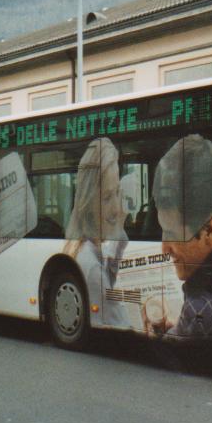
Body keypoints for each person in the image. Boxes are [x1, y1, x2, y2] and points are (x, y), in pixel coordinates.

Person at [143, 134, 212, 339]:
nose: (165, 249)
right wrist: (175, 328)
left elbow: (196, 329)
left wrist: (160, 336)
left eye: (173, 233)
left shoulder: (201, 314)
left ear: (208, 230)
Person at [64, 137, 130, 328]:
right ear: (88, 202)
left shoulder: (88, 249)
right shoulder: (91, 266)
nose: (117, 208)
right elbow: (122, 324)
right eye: (107, 197)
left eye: (117, 193)